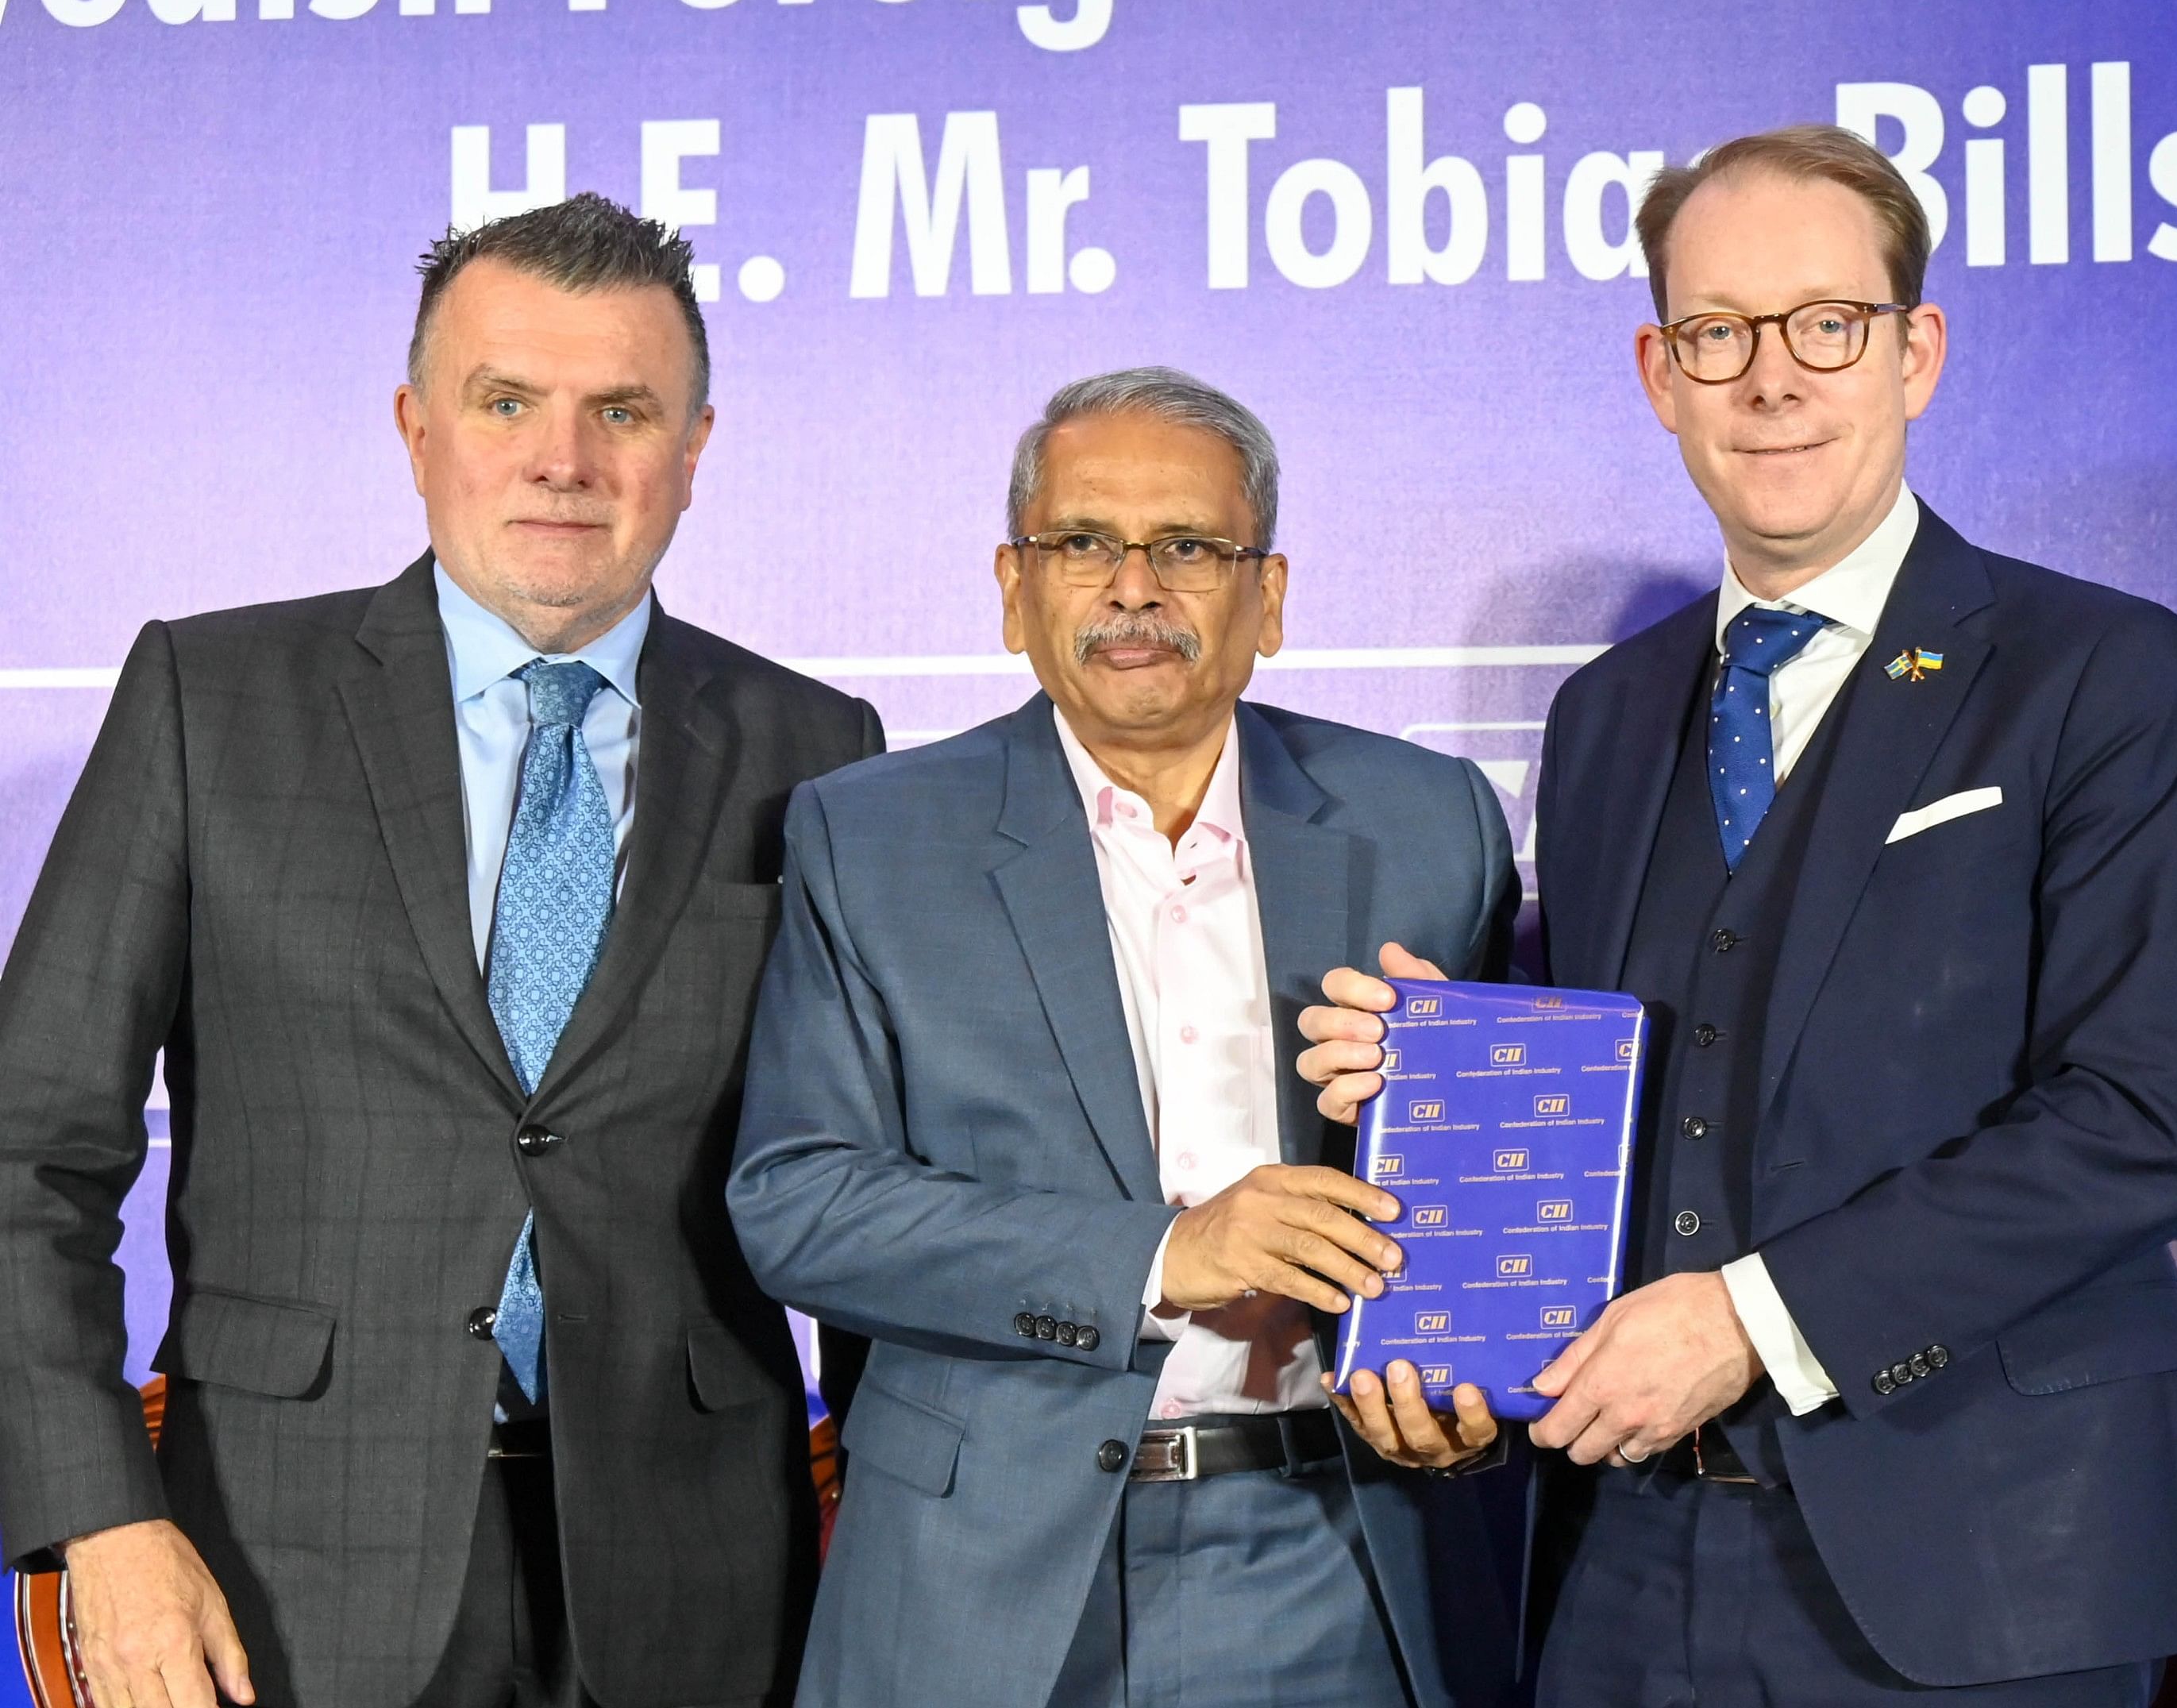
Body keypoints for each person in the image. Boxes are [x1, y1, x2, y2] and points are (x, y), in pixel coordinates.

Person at [1298, 125, 2177, 1705]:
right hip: (1627, 1554)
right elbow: (1643, 1092)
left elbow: (2140, 1119)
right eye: (1717, 333)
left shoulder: (2097, 671)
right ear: (1659, 372)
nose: (1772, 379)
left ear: (1913, 352)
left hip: (1979, 1566)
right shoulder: (1610, 710)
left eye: (1827, 324)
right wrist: (1441, 1089)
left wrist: (1753, 1321)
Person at [0, 194, 883, 1708]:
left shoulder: (819, 751)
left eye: (624, 409)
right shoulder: (211, 701)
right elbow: (27, 1155)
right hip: (274, 1568)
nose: (565, 457)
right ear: (417, 428)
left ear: (696, 448)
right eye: (507, 401)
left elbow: (868, 1190)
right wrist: (101, 1517)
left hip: (698, 1581)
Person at [724, 368, 1522, 1707]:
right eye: (1083, 541)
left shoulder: (1430, 821)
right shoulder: (867, 836)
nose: (1134, 586)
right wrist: (1164, 1253)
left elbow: (1504, 1191)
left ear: (1267, 595)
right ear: (1013, 584)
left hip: (1339, 1560)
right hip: (980, 1578)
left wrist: (1476, 1385)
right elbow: (797, 1202)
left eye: (1190, 548)